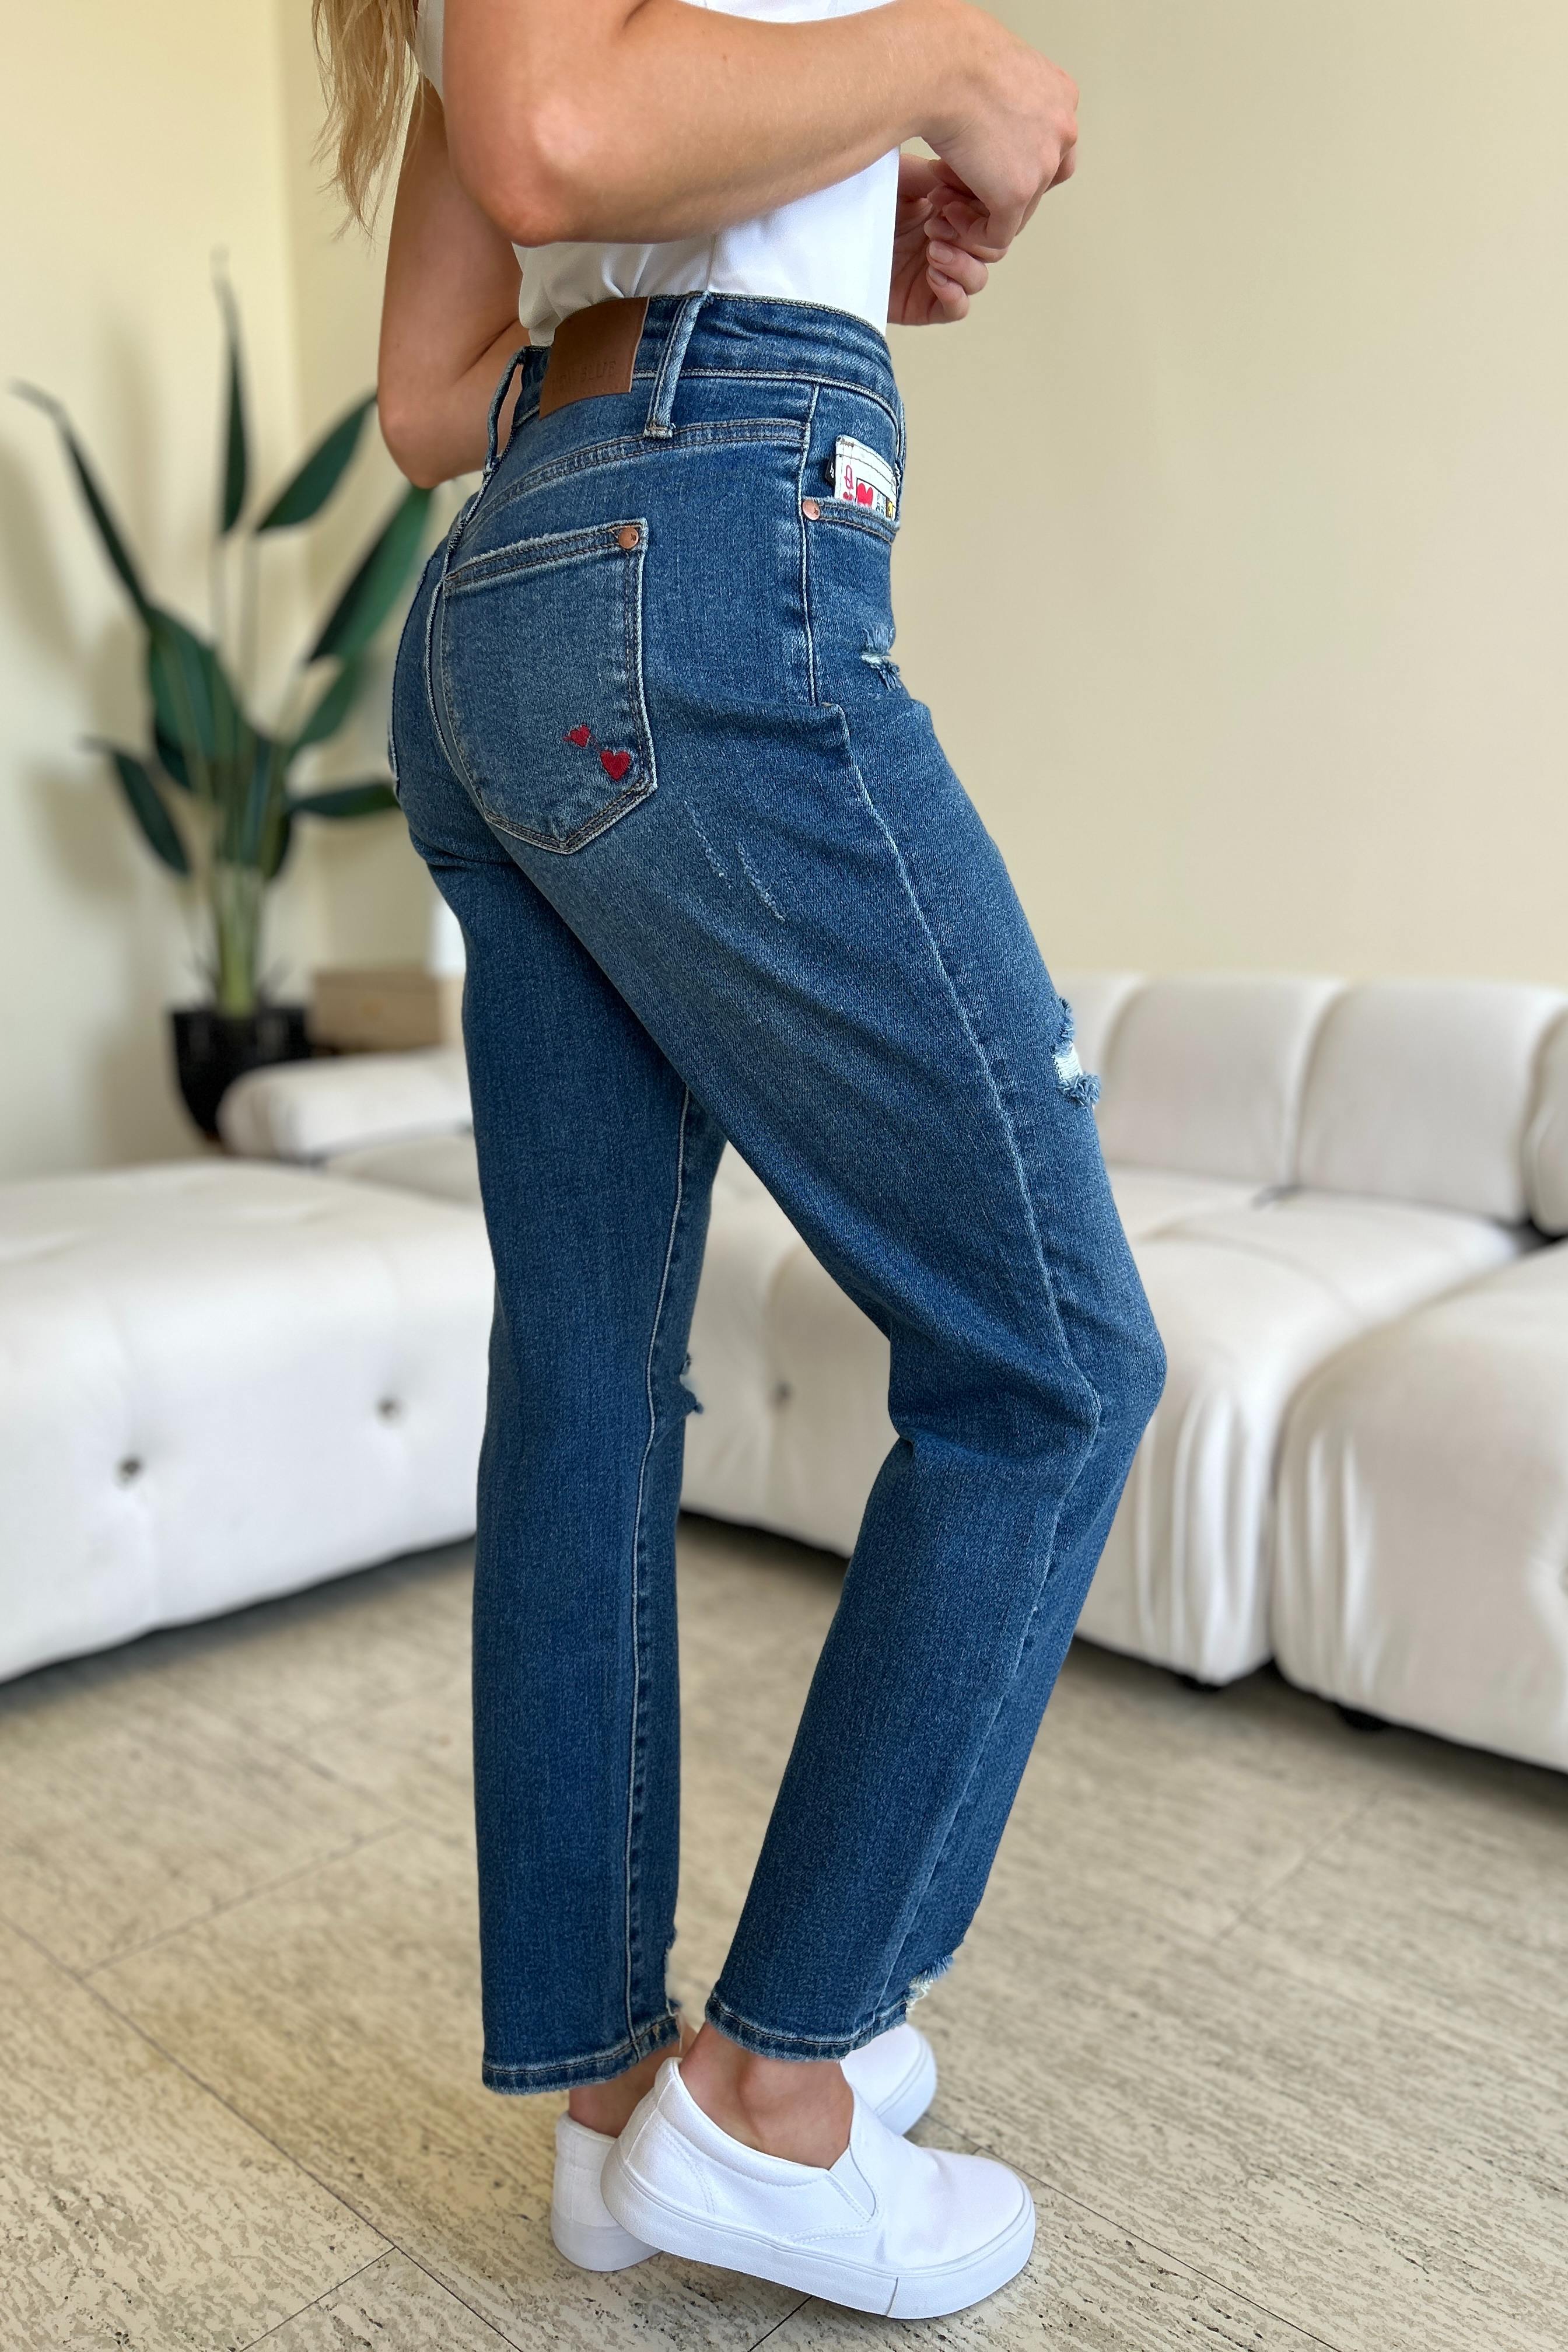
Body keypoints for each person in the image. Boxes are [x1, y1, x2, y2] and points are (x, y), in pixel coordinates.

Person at [315, 0, 1165, 2318]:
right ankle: (775, 2097)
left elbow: (431, 390)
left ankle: (619, 2120)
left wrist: (781, 238)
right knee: (1060, 1358)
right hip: (702, 559)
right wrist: (939, 68)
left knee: (589, 1377)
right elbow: (568, 129)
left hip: (533, 591)